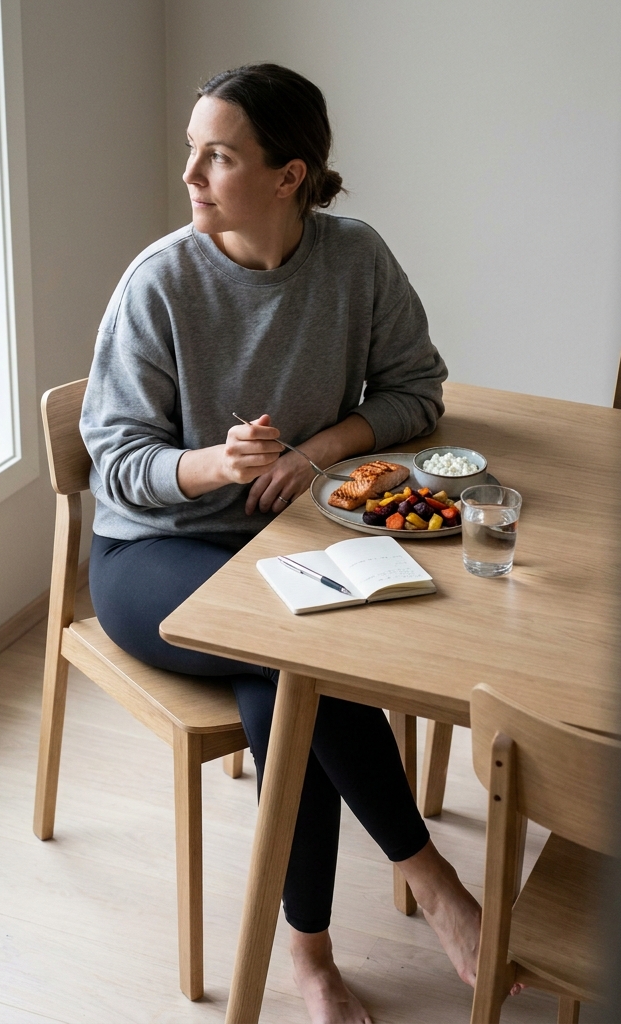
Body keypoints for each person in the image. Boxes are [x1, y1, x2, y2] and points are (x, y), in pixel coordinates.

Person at [80, 63, 486, 1024]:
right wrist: (214, 467)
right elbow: (114, 460)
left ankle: (308, 952)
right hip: (149, 558)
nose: (189, 175)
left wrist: (317, 451)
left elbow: (417, 391)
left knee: (286, 674)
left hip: (285, 546)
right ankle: (423, 882)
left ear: (288, 175)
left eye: (216, 155)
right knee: (288, 662)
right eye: (192, 150)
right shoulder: (160, 284)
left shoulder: (355, 262)